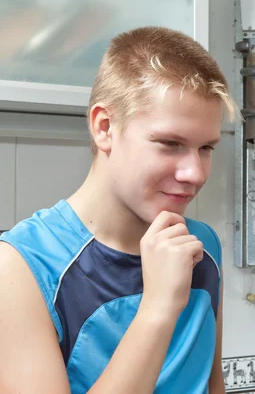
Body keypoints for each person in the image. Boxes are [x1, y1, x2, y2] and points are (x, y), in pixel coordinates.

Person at [0, 27, 241, 393]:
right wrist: (158, 308)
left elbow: (212, 382)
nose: (195, 173)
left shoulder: (203, 244)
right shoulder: (20, 268)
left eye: (206, 148)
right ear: (105, 127)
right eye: (170, 143)